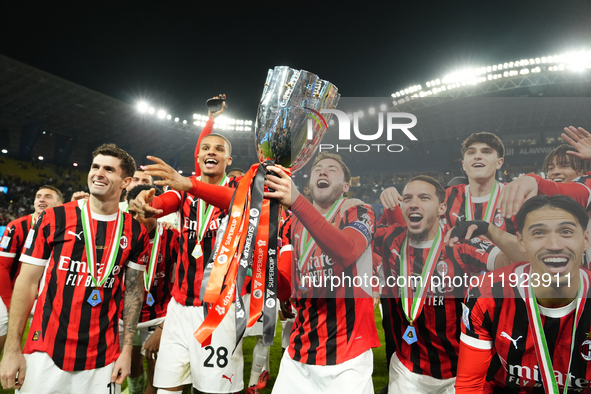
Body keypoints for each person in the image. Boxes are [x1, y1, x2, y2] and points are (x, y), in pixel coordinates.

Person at [133, 151, 380, 393]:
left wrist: (296, 203)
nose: (323, 171)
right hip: (300, 351)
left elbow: (346, 251)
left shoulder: (359, 211)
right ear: (307, 186)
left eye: (332, 169)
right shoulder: (291, 225)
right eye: (317, 169)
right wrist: (253, 259)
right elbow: (283, 287)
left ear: (346, 185)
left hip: (349, 354)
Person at [0, 143, 150, 394]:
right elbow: (26, 283)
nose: (99, 173)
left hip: (104, 356)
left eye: (109, 170)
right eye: (95, 167)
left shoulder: (136, 231)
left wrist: (126, 352)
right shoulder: (53, 219)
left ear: (125, 181)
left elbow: (134, 293)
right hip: (45, 349)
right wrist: (12, 349)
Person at [373, 175, 512, 394]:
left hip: (460, 371)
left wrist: (489, 229)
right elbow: (346, 242)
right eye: (407, 198)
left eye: (424, 197)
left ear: (442, 208)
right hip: (407, 369)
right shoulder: (389, 239)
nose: (414, 203)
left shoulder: (460, 242)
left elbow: (518, 261)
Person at [131, 133, 243, 394]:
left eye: (218, 149)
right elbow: (162, 204)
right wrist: (146, 204)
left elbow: (236, 203)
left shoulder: (238, 188)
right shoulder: (183, 192)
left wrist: (189, 185)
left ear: (228, 159)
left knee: (215, 390)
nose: (211, 152)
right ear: (199, 156)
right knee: (167, 388)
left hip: (217, 310)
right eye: (205, 148)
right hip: (179, 308)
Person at [456, 194, 591, 393]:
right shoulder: (488, 294)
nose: (554, 245)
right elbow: (470, 385)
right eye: (538, 233)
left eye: (566, 231)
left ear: (586, 239)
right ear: (521, 241)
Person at [122, 185, 179, 394]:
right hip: (124, 317)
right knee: (130, 367)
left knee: (157, 371)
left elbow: (183, 286)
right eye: (131, 212)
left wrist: (164, 326)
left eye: (142, 212)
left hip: (158, 317)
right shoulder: (121, 237)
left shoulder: (174, 238)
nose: (136, 218)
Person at [0, 185, 63, 352]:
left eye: (48, 196)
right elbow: (2, 267)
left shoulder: (66, 229)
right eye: (38, 196)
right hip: (13, 291)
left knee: (42, 346)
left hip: (46, 294)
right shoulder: (17, 226)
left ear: (60, 204)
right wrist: (9, 302)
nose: (41, 199)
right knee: (4, 334)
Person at [445, 132, 514, 233]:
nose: (477, 156)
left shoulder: (513, 195)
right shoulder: (447, 196)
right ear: (464, 165)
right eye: (471, 153)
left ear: (499, 163)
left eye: (486, 152)